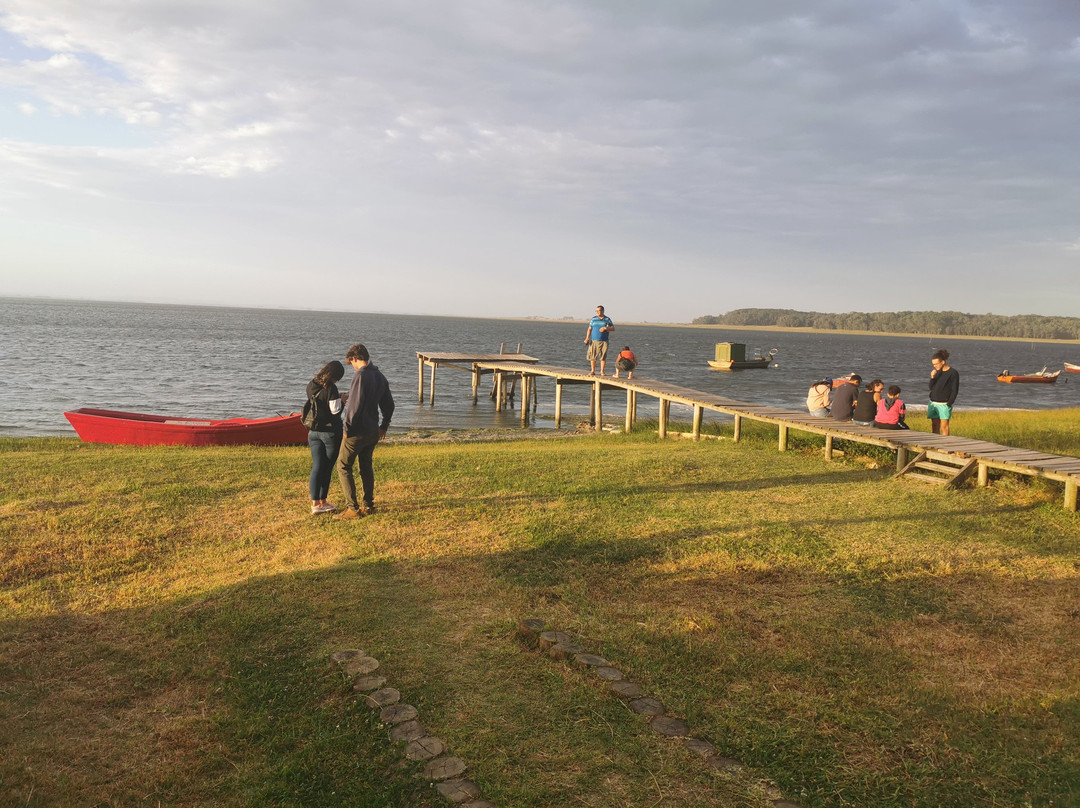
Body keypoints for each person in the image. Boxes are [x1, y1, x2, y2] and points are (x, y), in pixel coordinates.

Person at [335, 343, 395, 520]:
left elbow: (354, 406)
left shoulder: (360, 375)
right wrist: (384, 426)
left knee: (343, 465)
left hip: (357, 431)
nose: (352, 367)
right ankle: (368, 504)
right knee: (366, 466)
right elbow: (389, 405)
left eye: (352, 363)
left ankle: (352, 509)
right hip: (373, 430)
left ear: (355, 358)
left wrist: (346, 427)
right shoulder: (379, 376)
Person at [306, 360, 346, 514]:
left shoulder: (312, 384)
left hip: (313, 431)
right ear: (335, 376)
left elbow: (318, 404)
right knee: (327, 468)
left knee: (317, 466)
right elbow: (335, 412)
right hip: (329, 433)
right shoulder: (331, 388)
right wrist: (342, 401)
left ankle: (315, 503)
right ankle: (323, 501)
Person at [929, 349, 959, 435]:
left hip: (944, 404)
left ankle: (945, 442)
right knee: (934, 425)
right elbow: (931, 387)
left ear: (943, 362)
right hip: (933, 403)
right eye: (933, 364)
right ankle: (935, 442)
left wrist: (949, 403)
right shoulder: (937, 372)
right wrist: (932, 377)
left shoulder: (953, 373)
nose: (935, 366)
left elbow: (955, 390)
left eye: (936, 364)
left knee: (944, 427)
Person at [583, 305, 614, 375]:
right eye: (596, 311)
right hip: (594, 340)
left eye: (598, 310)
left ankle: (602, 371)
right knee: (592, 356)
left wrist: (606, 328)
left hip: (604, 341)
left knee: (603, 356)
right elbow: (589, 329)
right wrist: (587, 338)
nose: (597, 312)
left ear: (602, 311)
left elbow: (613, 328)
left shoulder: (607, 319)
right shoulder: (593, 319)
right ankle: (592, 371)